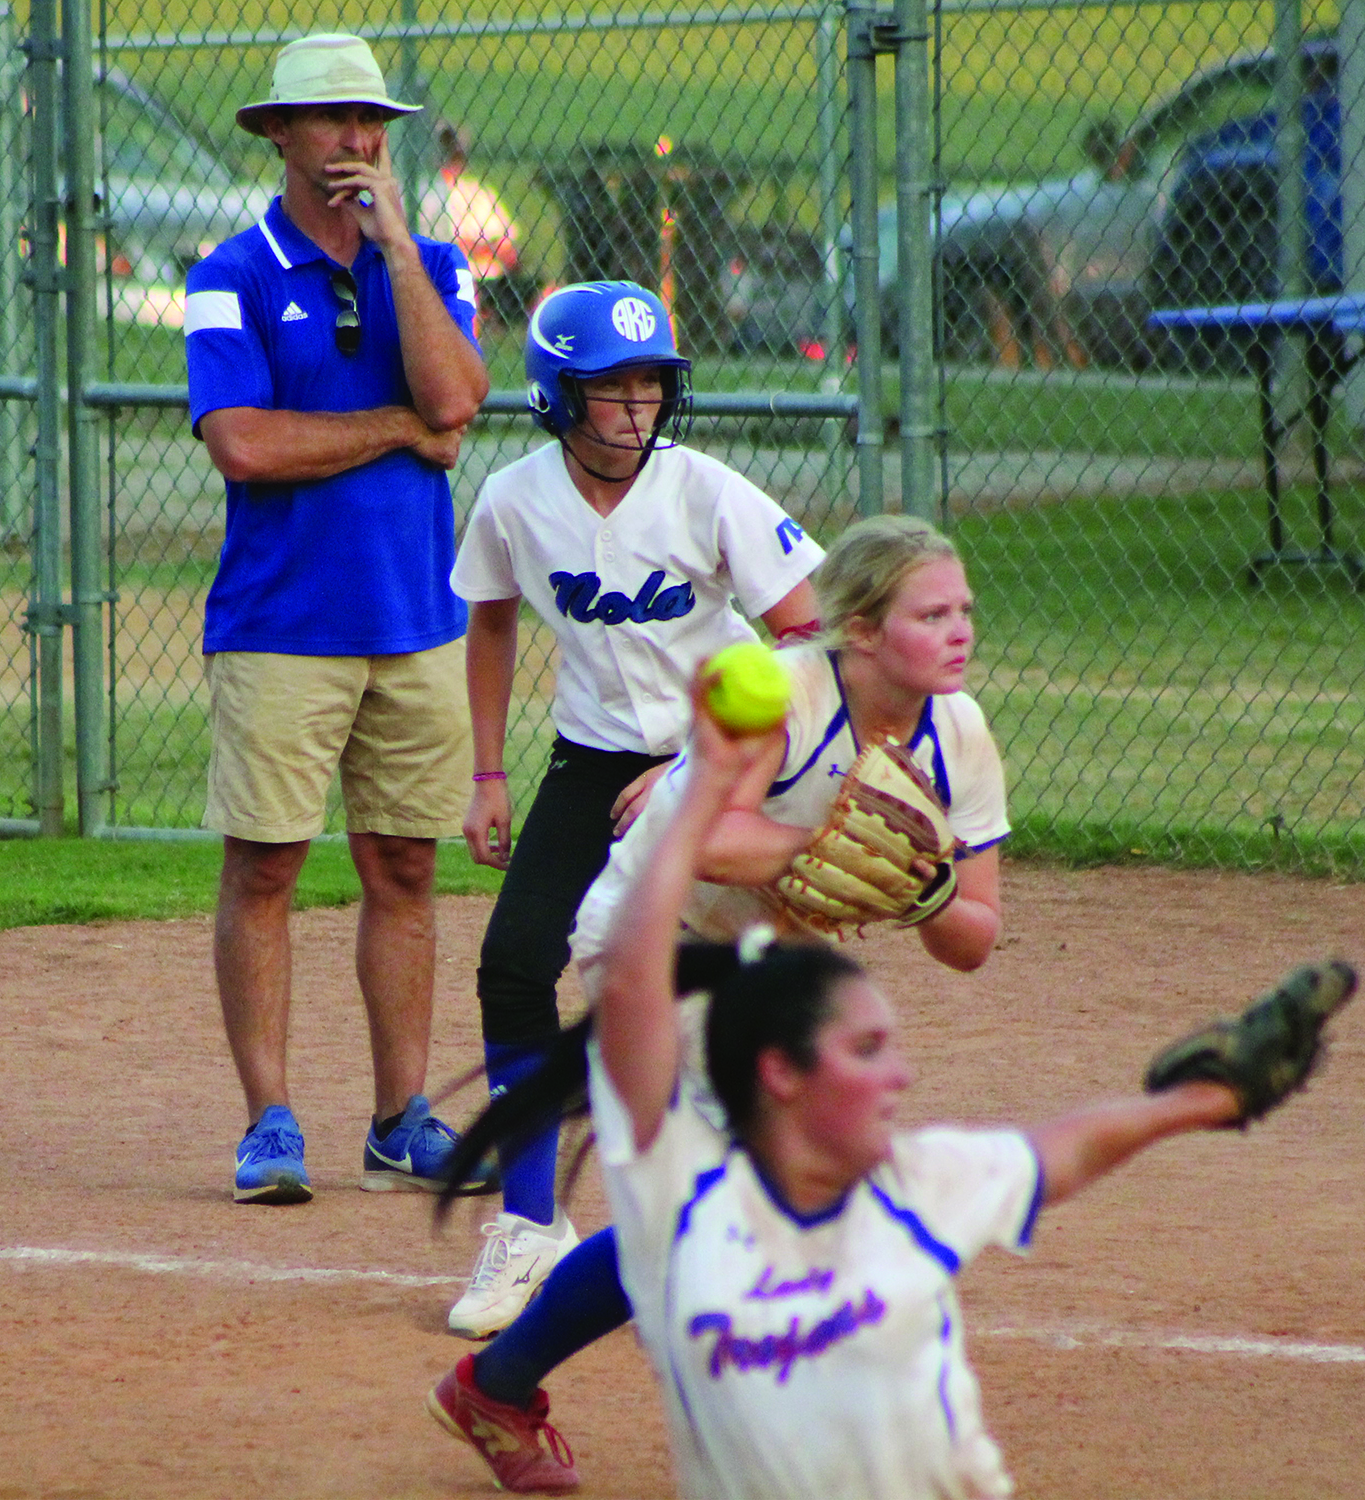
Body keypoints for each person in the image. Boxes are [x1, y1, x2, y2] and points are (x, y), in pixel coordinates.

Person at [433, 666, 1357, 1499]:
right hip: (697, 961)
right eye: (867, 1050)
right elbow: (637, 968)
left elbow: (1056, 1150)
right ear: (780, 1074)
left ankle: (496, 1384)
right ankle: (497, 1384)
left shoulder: (912, 1180)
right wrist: (708, 786)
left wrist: (1210, 1100)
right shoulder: (742, 1189)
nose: (902, 1074)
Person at [427, 515, 1010, 1492]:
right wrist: (825, 842)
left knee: (715, 1208)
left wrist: (928, 891)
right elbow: (702, 841)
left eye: (964, 611)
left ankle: (497, 1386)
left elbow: (975, 936)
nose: (959, 631)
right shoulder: (785, 696)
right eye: (931, 613)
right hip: (653, 938)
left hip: (770, 971)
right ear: (862, 630)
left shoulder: (960, 735)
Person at [444, 280, 826, 1340]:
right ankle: (531, 1224)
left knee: (739, 992)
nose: (635, 406)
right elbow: (490, 622)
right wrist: (488, 774)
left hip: (724, 761)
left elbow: (810, 633)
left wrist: (696, 761)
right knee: (514, 964)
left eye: (651, 384)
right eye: (610, 388)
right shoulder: (514, 499)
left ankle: (778, 1217)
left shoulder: (704, 490)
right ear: (556, 397)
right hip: (591, 764)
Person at [182, 32, 494, 1206]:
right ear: (279, 133)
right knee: (265, 866)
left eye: (373, 120)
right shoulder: (231, 274)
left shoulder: (436, 265)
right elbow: (244, 443)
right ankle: (269, 1122)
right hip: (279, 623)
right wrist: (393, 429)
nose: (358, 139)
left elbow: (455, 400)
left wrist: (397, 247)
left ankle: (399, 1118)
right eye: (331, 118)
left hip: (415, 618)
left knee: (404, 865)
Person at [415, 118, 525, 331]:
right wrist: (484, 247)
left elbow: (508, 250)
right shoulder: (426, 192)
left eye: (455, 153)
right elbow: (443, 248)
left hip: (494, 280)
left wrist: (472, 246)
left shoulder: (477, 191)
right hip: (451, 278)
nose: (452, 160)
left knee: (547, 291)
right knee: (467, 289)